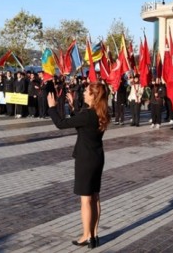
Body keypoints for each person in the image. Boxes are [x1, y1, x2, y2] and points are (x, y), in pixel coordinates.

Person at [47, 82, 111, 249]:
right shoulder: (101, 112)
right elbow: (84, 125)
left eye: (87, 91)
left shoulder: (88, 115)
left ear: (94, 96)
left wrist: (52, 107)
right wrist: (73, 105)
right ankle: (94, 235)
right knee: (95, 197)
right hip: (97, 158)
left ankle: (86, 236)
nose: (83, 93)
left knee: (86, 200)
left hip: (85, 160)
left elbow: (61, 123)